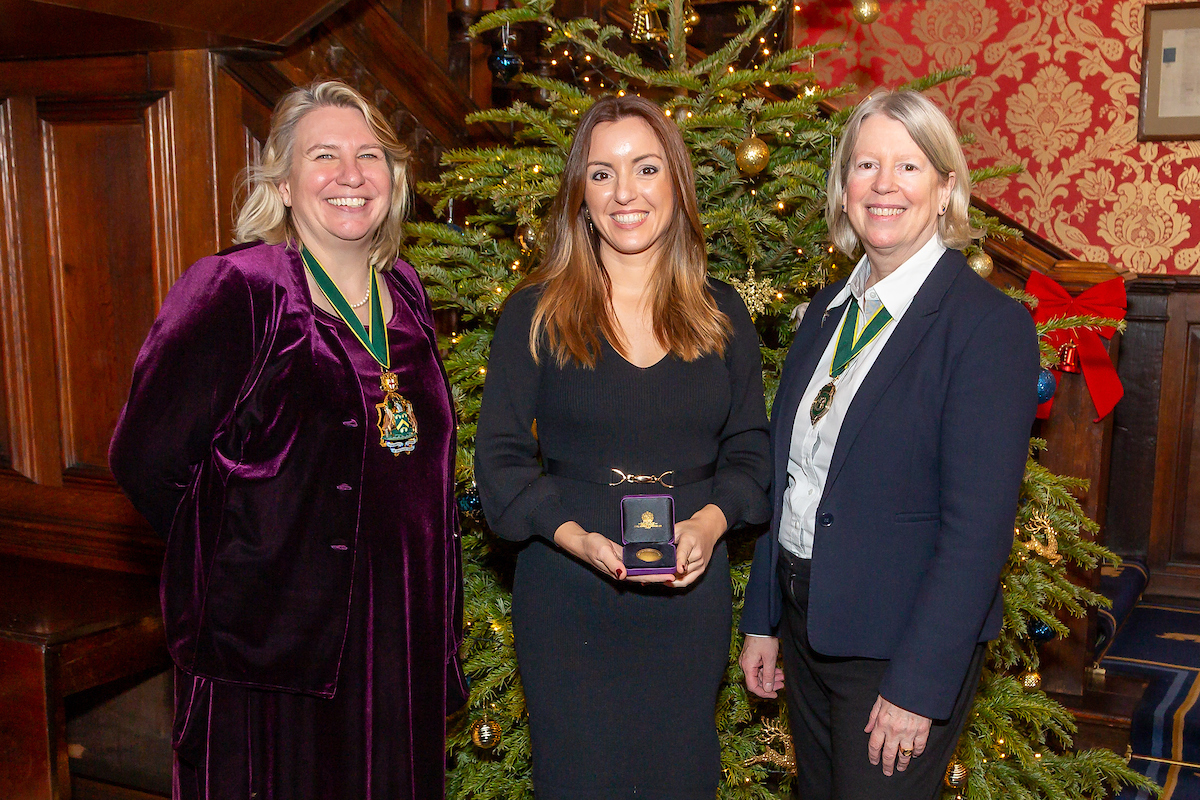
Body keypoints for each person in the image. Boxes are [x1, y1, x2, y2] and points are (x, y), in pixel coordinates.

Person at [109, 80, 466, 800]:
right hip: (275, 649)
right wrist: (246, 561)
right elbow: (145, 458)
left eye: (370, 156)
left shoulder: (407, 290)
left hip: (397, 635)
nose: (350, 175)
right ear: (282, 180)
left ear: (393, 180)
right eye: (324, 155)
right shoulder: (239, 289)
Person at [738, 89, 1039, 800]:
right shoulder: (827, 315)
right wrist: (764, 621)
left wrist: (918, 684)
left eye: (908, 166)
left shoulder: (985, 328)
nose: (883, 185)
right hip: (809, 623)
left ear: (945, 190)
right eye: (865, 164)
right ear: (844, 190)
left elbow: (978, 532)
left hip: (899, 648)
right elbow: (789, 480)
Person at [474, 93, 771, 799]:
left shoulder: (723, 312)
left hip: (686, 605)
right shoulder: (535, 311)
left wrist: (710, 523)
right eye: (602, 174)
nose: (624, 192)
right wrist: (575, 538)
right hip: (569, 600)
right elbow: (501, 462)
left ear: (676, 183)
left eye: (644, 168)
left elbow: (753, 454)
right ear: (581, 193)